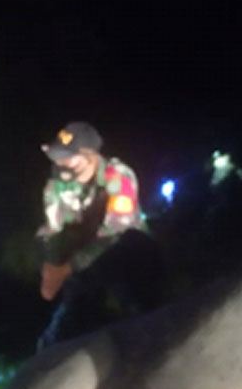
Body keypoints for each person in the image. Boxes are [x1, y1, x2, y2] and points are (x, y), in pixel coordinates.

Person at [35, 121, 163, 349]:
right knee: (57, 337)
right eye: (57, 157)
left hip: (125, 255)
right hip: (84, 264)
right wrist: (52, 265)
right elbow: (53, 228)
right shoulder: (57, 184)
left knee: (130, 248)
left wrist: (69, 266)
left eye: (68, 157)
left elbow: (115, 231)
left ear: (90, 155)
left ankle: (149, 323)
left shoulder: (118, 176)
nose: (60, 163)